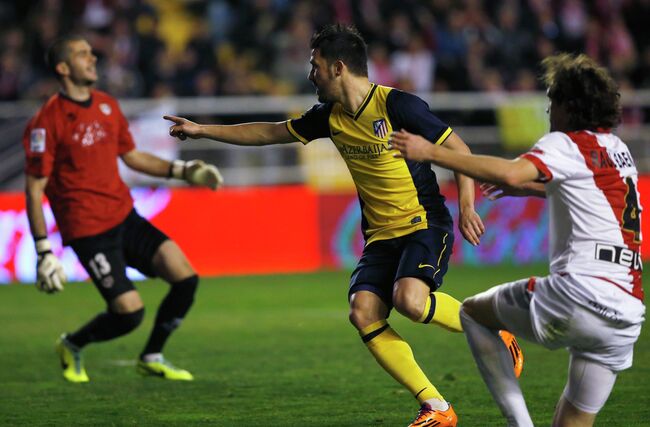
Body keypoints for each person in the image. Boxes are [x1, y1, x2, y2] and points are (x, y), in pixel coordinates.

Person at [164, 24, 523, 426]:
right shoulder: (329, 117)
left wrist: (467, 206)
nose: (310, 73)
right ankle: (437, 408)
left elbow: (459, 149)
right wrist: (202, 129)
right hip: (380, 235)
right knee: (363, 311)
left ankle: (495, 328)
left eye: (314, 65)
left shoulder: (398, 105)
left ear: (337, 68)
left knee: (410, 302)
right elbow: (269, 132)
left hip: (423, 221)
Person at [389, 53, 645, 427]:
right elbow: (588, 195)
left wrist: (430, 151)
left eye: (552, 103)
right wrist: (529, 191)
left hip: (580, 293)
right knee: (572, 419)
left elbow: (511, 171)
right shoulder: (618, 150)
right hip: (625, 313)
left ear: (569, 107)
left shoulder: (567, 142)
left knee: (473, 314)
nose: (548, 113)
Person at [23, 35, 224, 383]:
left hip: (124, 216)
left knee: (186, 278)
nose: (92, 59)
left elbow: (132, 156)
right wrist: (43, 250)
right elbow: (34, 187)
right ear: (63, 67)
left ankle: (152, 355)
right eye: (82, 54)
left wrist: (183, 170)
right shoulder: (48, 119)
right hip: (88, 230)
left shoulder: (106, 105)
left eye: (91, 53)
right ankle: (72, 343)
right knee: (129, 315)